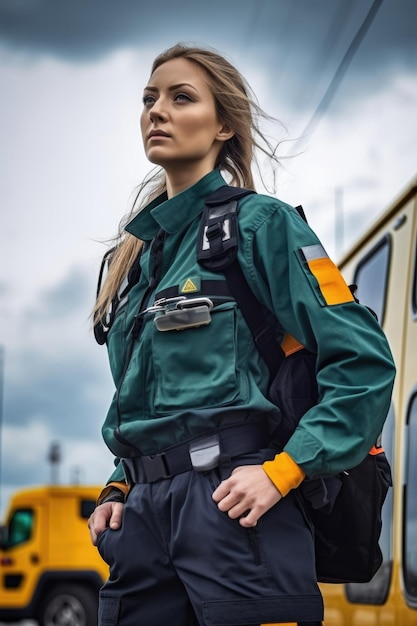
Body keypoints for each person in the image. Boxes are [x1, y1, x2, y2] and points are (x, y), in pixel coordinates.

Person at [88, 43, 396, 626]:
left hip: (237, 512)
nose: (157, 111)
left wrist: (284, 472)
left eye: (181, 98)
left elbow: (363, 362)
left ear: (224, 124)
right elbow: (155, 406)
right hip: (144, 526)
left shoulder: (262, 227)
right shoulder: (134, 264)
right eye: (149, 99)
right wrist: (117, 488)